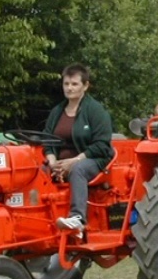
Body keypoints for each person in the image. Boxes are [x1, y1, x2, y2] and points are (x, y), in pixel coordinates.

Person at [43, 63, 114, 232]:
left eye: (74, 84)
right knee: (35, 172)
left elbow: (102, 145)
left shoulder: (95, 111)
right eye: (66, 84)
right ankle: (41, 221)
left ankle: (77, 218)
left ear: (85, 86)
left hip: (92, 160)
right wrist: (52, 161)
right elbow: (47, 139)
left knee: (79, 170)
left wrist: (74, 161)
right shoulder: (57, 111)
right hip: (60, 163)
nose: (69, 88)